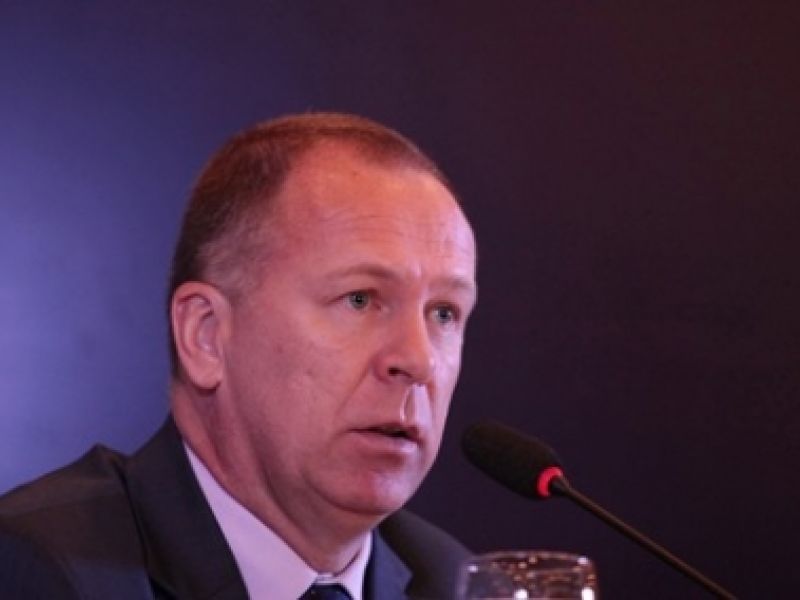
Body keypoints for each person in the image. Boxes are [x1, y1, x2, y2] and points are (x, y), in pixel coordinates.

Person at [0, 112, 478, 599]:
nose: (419, 360)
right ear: (206, 335)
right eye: (359, 299)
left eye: (444, 313)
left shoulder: (450, 581)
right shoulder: (45, 569)